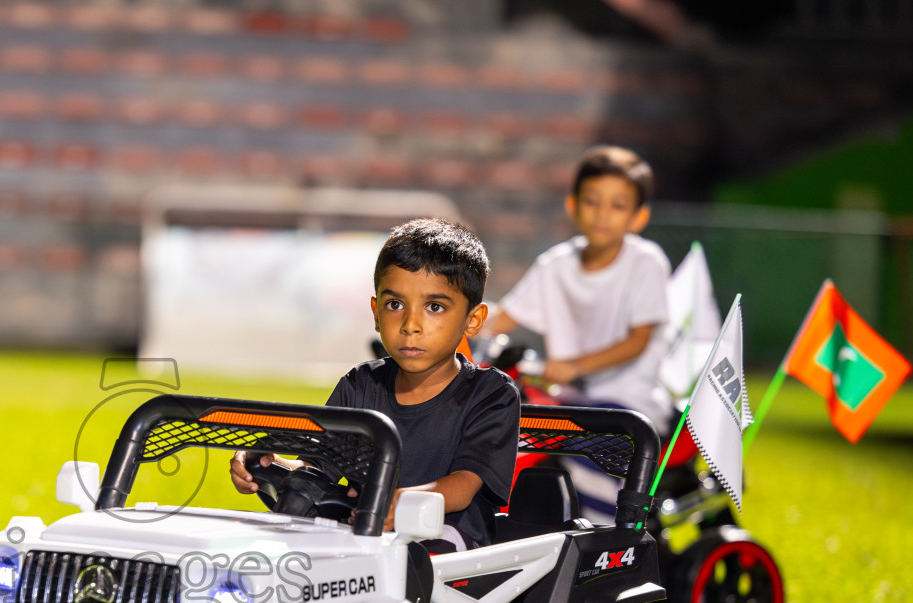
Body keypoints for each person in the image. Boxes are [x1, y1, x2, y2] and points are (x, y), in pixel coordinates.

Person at [230, 218, 520, 553]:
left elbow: (464, 486)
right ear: (376, 312)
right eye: (395, 305)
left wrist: (398, 502)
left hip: (448, 540)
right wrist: (267, 465)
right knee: (292, 519)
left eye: (434, 307)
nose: (411, 325)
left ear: (474, 320)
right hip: (362, 529)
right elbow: (317, 466)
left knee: (406, 556)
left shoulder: (490, 394)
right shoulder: (360, 384)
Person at [484, 145, 675, 432]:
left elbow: (639, 340)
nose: (602, 214)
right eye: (592, 201)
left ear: (639, 217)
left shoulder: (646, 262)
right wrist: (452, 321)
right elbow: (502, 319)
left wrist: (574, 366)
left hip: (629, 407)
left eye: (618, 206)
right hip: (566, 399)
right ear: (572, 205)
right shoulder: (555, 264)